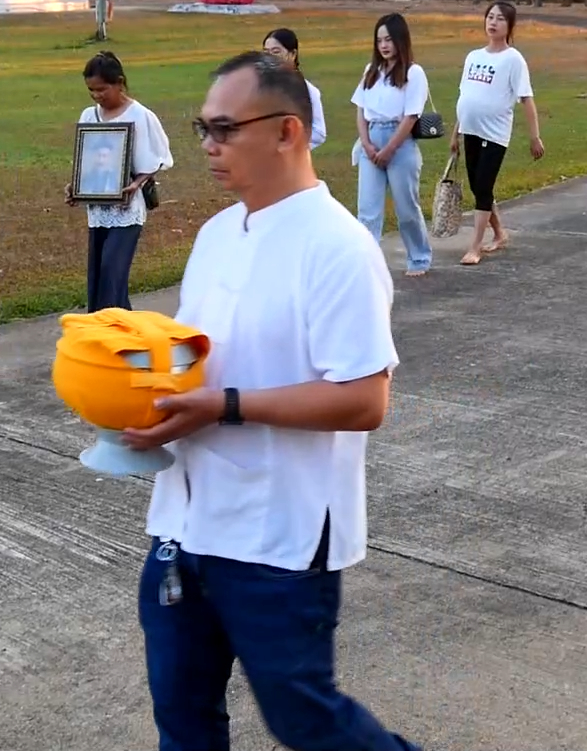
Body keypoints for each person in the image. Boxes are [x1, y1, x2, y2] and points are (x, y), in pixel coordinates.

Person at [122, 51, 420, 751]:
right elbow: (194, 356)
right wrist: (138, 397)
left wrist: (223, 406)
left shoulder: (338, 247)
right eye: (203, 128)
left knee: (306, 721)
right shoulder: (216, 235)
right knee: (182, 718)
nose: (208, 147)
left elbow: (363, 399)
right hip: (183, 527)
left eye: (224, 129)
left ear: (287, 131)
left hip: (277, 534)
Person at [69, 51, 173, 312]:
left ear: (119, 82)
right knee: (98, 278)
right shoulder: (88, 116)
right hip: (97, 208)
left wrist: (137, 184)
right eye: (91, 90)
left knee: (112, 273)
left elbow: (160, 159)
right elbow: (86, 159)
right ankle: (111, 334)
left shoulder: (141, 116)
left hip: (127, 210)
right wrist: (76, 186)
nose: (96, 96)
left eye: (102, 89)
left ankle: (114, 335)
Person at [450, 1, 545, 266]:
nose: (493, 22)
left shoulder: (513, 59)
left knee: (482, 188)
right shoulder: (473, 57)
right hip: (470, 130)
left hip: (494, 135)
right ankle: (500, 233)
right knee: (479, 186)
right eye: (490, 17)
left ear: (509, 26)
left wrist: (534, 136)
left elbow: (526, 99)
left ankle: (475, 247)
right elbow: (465, 95)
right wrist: (455, 133)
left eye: (500, 19)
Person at [351, 13, 434, 277]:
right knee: (368, 210)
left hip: (400, 143)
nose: (384, 45)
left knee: (406, 208)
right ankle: (366, 263)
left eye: (389, 39)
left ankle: (419, 257)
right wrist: (366, 144)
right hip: (371, 140)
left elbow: (411, 116)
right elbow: (361, 110)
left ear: (400, 40)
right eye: (379, 41)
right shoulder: (371, 71)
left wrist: (389, 150)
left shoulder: (413, 72)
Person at [263, 28, 328, 149]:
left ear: (292, 54)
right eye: (266, 52)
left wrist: (290, 146)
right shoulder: (256, 86)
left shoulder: (307, 91)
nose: (269, 57)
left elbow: (319, 133)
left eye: (276, 52)